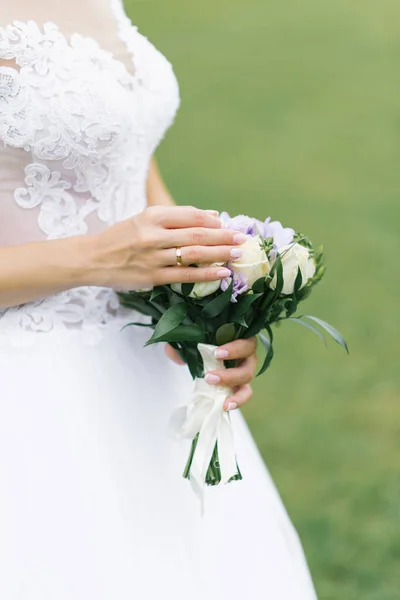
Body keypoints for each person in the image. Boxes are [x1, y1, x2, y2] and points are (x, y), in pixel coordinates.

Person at [0, 1, 318, 598]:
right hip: (23, 392)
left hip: (144, 371)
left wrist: (209, 311)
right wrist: (97, 259)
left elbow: (126, 167)